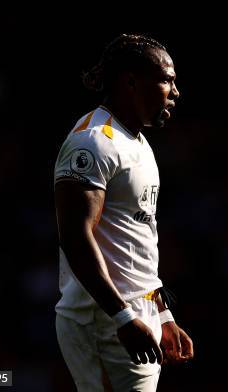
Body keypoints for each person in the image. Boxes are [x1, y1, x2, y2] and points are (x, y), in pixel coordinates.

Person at [53, 33, 193, 391]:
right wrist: (123, 316)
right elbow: (75, 235)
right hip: (103, 321)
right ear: (131, 81)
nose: (175, 92)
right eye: (167, 80)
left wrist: (162, 313)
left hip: (132, 317)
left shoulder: (138, 142)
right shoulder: (93, 141)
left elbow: (137, 239)